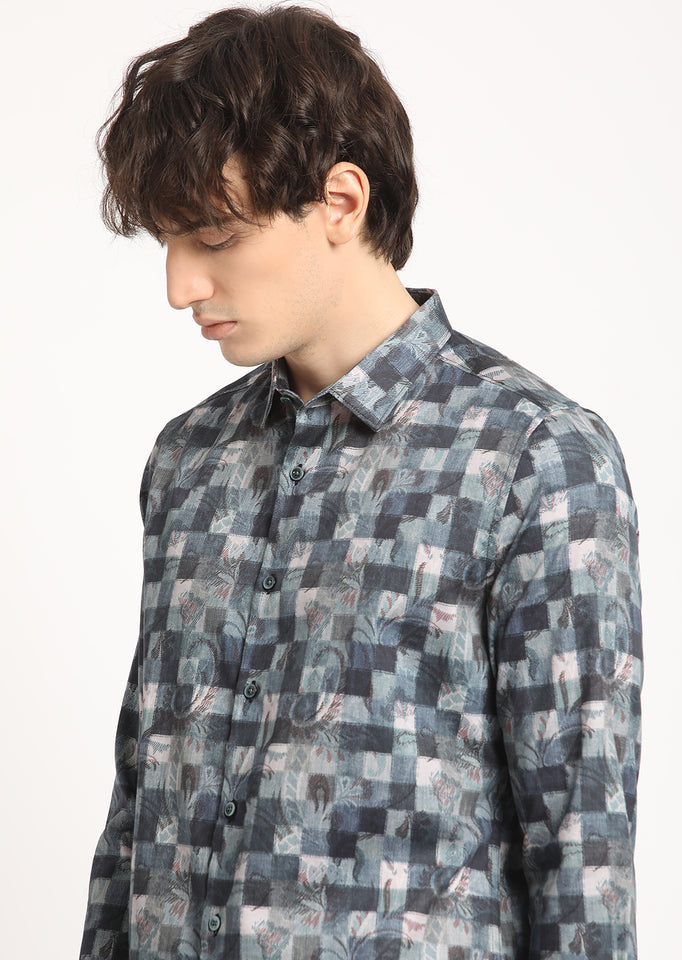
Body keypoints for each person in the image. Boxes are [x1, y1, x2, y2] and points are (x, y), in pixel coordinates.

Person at [81, 6, 642, 960]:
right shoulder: (188, 459)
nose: (180, 287)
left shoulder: (536, 458)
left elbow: (581, 854)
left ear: (341, 201)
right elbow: (138, 805)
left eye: (214, 237)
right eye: (168, 243)